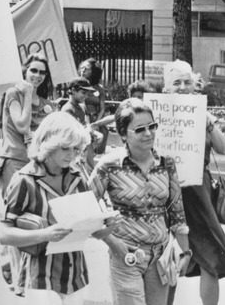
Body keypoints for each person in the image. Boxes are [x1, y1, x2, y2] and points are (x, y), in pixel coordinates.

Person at [0, 111, 113, 304]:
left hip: (75, 275)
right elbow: (4, 234)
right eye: (65, 148)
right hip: (40, 276)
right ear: (48, 144)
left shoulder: (78, 177)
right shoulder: (25, 180)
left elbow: (91, 232)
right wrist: (45, 234)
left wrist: (106, 226)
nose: (72, 155)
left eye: (77, 149)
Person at [89, 98, 191, 305]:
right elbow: (84, 207)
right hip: (126, 255)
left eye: (152, 126)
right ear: (123, 133)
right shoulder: (109, 166)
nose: (148, 133)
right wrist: (111, 241)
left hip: (160, 257)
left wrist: (185, 252)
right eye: (140, 129)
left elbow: (177, 212)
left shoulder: (166, 163)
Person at [161, 61, 225, 305]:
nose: (182, 87)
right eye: (176, 82)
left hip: (198, 191)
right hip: (163, 189)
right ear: (166, 88)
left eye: (187, 82)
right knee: (167, 253)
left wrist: (206, 119)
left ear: (195, 86)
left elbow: (222, 147)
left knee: (210, 253)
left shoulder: (202, 114)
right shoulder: (156, 112)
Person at [0, 53, 56, 292]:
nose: (37, 76)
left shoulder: (45, 102)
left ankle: (7, 258)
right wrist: (28, 94)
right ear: (24, 71)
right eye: (33, 71)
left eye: (42, 72)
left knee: (32, 218)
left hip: (36, 163)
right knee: (16, 219)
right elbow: (20, 125)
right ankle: (19, 279)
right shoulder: (14, 93)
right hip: (13, 161)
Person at [79, 58, 108, 154]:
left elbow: (102, 108)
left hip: (97, 121)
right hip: (82, 121)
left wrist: (97, 124)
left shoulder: (100, 89)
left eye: (86, 68)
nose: (83, 71)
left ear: (94, 71)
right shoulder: (78, 86)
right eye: (81, 68)